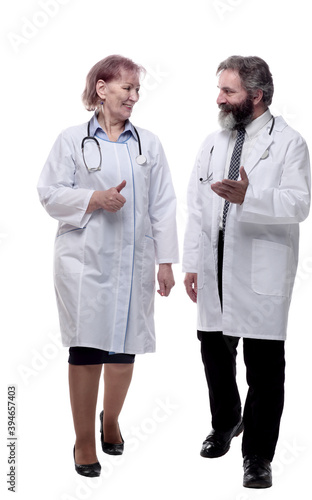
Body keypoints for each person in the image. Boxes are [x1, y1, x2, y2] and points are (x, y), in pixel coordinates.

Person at [37, 55, 178, 477]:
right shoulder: (71, 140)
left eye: (137, 90)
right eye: (127, 89)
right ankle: (83, 440)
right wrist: (92, 199)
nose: (134, 97)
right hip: (85, 262)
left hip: (134, 261)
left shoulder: (147, 143)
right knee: (87, 349)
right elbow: (48, 193)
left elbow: (163, 205)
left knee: (123, 350)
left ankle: (110, 418)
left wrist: (166, 262)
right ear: (102, 88)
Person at [183, 55, 310, 489]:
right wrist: (193, 263)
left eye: (228, 91)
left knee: (264, 368)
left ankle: (257, 455)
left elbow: (299, 203)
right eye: (220, 89)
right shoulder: (214, 142)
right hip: (214, 267)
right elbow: (196, 207)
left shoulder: (289, 143)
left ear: (255, 96)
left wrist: (248, 198)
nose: (219, 98)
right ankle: (225, 422)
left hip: (261, 271)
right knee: (213, 351)